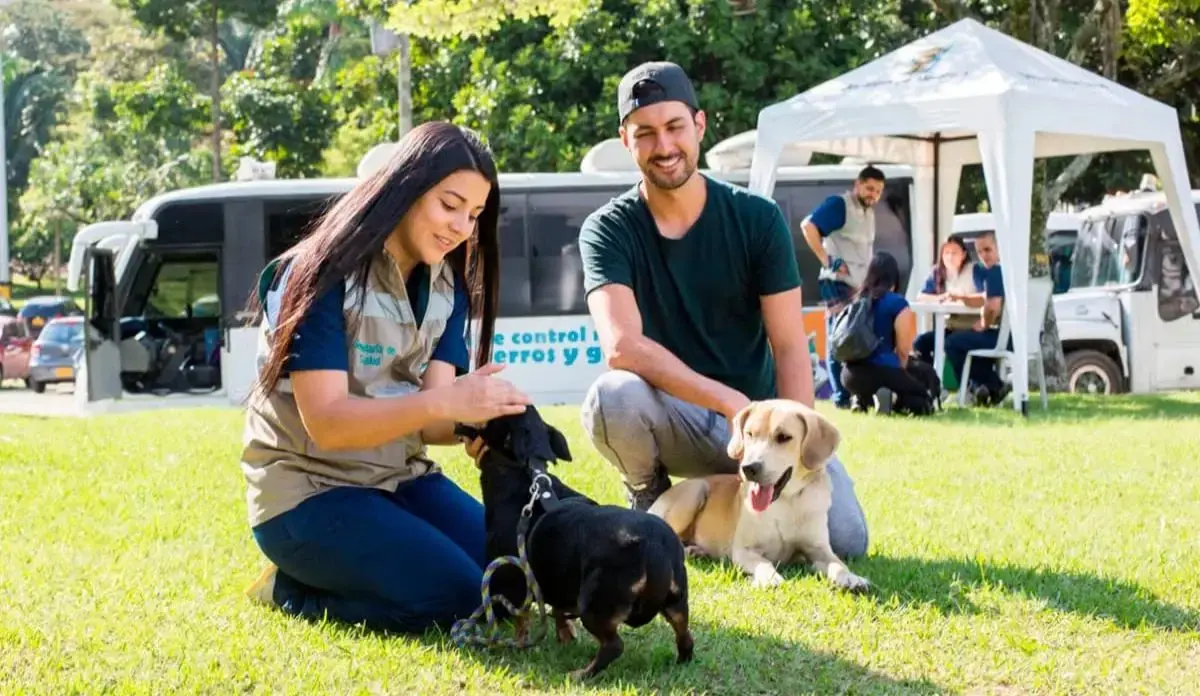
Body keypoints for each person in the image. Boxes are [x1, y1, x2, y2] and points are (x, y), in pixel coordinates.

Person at [239, 121, 533, 634]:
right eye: (450, 204)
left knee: (513, 585)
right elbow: (328, 425)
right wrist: (446, 404)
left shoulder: (448, 283)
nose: (462, 227)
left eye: (475, 214)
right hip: (309, 493)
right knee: (460, 599)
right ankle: (288, 589)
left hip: (399, 480)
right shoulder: (320, 273)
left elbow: (432, 424)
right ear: (407, 186)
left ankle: (373, 560)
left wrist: (480, 421)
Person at [577, 61, 869, 560]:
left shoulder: (757, 218)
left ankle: (750, 510)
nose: (664, 146)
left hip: (766, 431)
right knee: (613, 396)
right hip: (687, 417)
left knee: (846, 540)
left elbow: (789, 345)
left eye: (674, 127)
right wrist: (729, 403)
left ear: (700, 125)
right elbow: (621, 345)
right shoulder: (607, 229)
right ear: (625, 140)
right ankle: (651, 496)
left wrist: (795, 459)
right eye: (645, 133)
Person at [800, 166, 887, 409]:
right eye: (870, 188)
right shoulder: (840, 205)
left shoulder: (868, 212)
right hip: (836, 282)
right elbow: (808, 226)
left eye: (878, 191)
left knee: (859, 337)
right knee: (841, 337)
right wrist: (827, 260)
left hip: (859, 284)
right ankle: (841, 398)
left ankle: (857, 393)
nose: (873, 195)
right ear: (857, 184)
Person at [839, 252, 933, 415]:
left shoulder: (857, 300)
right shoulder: (897, 303)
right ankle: (892, 398)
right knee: (921, 396)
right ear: (894, 277)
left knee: (881, 385)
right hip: (882, 369)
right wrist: (902, 376)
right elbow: (903, 351)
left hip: (849, 374)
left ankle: (861, 399)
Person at [941, 230, 1010, 406]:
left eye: (987, 250)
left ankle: (988, 386)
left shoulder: (995, 271)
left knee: (952, 342)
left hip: (1003, 337)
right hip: (1020, 337)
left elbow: (992, 306)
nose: (983, 256)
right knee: (965, 339)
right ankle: (985, 388)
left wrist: (985, 323)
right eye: (979, 252)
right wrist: (963, 298)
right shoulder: (1010, 271)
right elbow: (987, 298)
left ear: (999, 248)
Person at [912, 235, 986, 363]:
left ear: (963, 254)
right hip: (951, 328)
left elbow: (986, 297)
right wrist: (941, 297)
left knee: (952, 343)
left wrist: (961, 298)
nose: (950, 257)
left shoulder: (975, 270)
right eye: (946, 253)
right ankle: (930, 377)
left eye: (954, 253)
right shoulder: (937, 272)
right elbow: (921, 296)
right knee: (920, 342)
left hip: (973, 327)